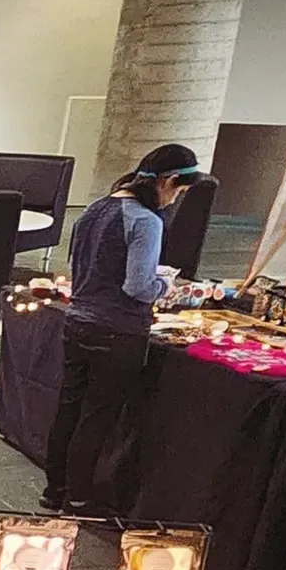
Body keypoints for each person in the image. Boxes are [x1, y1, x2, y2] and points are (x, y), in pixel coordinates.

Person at [41, 143, 204, 513]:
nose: (175, 200)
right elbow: (138, 286)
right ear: (170, 181)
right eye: (179, 191)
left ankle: (55, 490)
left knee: (69, 408)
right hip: (116, 331)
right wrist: (168, 286)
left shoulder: (96, 208)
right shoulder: (145, 220)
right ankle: (80, 497)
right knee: (97, 416)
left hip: (78, 322)